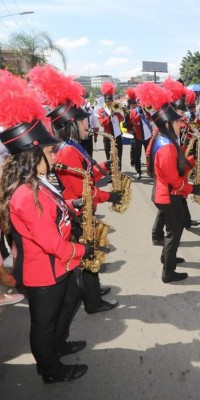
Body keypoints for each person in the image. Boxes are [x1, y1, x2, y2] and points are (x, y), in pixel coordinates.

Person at [0, 70, 89, 382]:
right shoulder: (26, 194)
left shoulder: (37, 181)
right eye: (50, 151)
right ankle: (50, 369)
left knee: (72, 300)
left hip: (57, 266)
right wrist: (82, 250)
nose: (55, 154)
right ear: (34, 153)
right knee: (44, 322)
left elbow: (54, 213)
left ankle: (58, 346)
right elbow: (51, 242)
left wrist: (74, 207)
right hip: (45, 271)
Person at [27, 65, 120, 315]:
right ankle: (93, 301)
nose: (85, 123)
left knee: (90, 251)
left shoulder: (71, 146)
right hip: (79, 208)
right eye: (81, 120)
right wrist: (110, 195)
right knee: (88, 251)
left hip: (81, 204)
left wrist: (102, 167)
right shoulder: (67, 149)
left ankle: (93, 291)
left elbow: (86, 175)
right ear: (71, 123)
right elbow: (83, 191)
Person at [137, 82, 200, 283]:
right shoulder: (166, 146)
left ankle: (167, 257)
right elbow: (174, 180)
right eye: (175, 121)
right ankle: (168, 272)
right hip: (168, 195)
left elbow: (176, 169)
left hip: (166, 193)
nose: (179, 124)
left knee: (174, 228)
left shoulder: (166, 141)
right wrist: (192, 189)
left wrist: (190, 161)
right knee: (175, 230)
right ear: (167, 123)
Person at [97, 82, 124, 169]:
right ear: (105, 101)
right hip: (108, 137)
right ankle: (110, 173)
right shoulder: (102, 111)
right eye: (108, 101)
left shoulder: (116, 108)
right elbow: (102, 123)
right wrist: (109, 115)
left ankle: (119, 172)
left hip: (118, 136)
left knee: (119, 155)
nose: (109, 103)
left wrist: (117, 113)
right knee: (109, 157)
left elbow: (122, 119)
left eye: (111, 101)